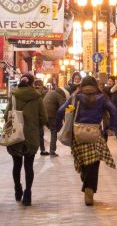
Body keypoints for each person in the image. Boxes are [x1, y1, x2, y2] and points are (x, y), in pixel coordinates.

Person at [57, 75, 117, 206]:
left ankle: (87, 185)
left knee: (83, 162)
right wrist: (111, 127)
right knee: (94, 163)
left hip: (78, 135)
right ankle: (89, 189)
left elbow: (62, 111)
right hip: (95, 134)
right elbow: (113, 110)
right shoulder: (102, 98)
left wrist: (59, 125)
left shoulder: (75, 98)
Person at [7, 73, 47, 206]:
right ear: (32, 83)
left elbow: (7, 113)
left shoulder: (13, 95)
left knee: (16, 164)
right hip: (31, 136)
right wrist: (34, 125)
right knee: (28, 165)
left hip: (15, 135)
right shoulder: (37, 97)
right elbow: (44, 118)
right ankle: (28, 193)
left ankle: (17, 189)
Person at [42, 81, 70, 156]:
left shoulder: (52, 92)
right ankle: (52, 151)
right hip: (51, 115)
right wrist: (72, 109)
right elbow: (64, 107)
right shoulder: (60, 95)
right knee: (53, 131)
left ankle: (43, 149)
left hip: (44, 114)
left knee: (50, 130)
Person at [34, 78, 49, 155]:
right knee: (40, 134)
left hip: (35, 116)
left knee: (39, 134)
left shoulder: (43, 93)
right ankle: (42, 150)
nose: (38, 87)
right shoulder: (41, 93)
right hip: (37, 116)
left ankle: (41, 149)